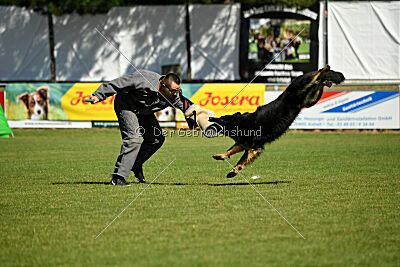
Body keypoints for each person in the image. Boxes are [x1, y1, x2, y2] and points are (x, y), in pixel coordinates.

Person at [90, 70, 194, 186]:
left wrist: (200, 122)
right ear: (163, 85)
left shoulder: (173, 95)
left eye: (177, 91)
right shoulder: (143, 80)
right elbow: (118, 83)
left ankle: (136, 164)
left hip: (145, 111)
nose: (175, 94)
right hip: (126, 106)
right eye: (173, 91)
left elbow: (189, 108)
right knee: (134, 139)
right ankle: (118, 177)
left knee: (156, 138)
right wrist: (99, 95)